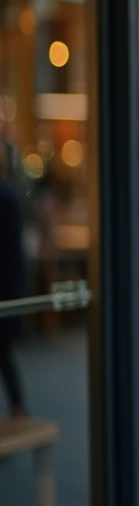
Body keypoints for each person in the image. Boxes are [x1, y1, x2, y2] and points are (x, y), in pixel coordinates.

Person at [0, 148, 26, 420]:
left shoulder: (7, 197)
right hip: (8, 287)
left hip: (5, 290)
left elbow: (10, 253)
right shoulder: (9, 195)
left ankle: (18, 408)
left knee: (5, 356)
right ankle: (17, 407)